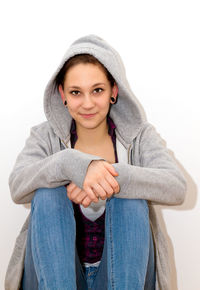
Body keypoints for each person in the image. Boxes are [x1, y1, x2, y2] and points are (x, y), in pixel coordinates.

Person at [5, 35, 186, 290]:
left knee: (131, 199)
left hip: (124, 278)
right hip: (53, 279)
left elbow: (176, 187)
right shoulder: (44, 136)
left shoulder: (139, 136)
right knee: (48, 194)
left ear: (113, 91)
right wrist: (72, 166)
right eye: (76, 92)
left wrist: (107, 177)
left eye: (97, 90)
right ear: (62, 94)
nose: (87, 103)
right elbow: (17, 186)